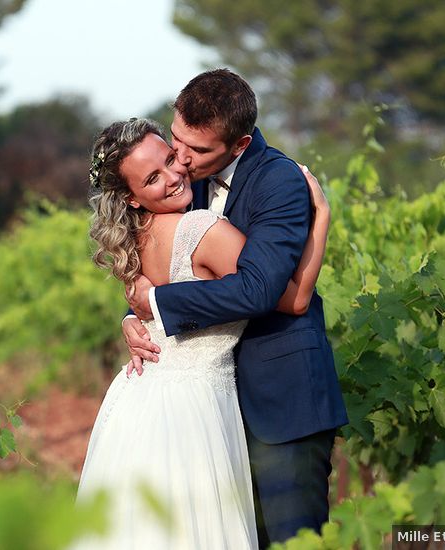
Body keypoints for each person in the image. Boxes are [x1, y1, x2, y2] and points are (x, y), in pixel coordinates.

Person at [72, 117, 330, 550]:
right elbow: (290, 298)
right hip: (193, 408)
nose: (175, 174)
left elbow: (150, 299)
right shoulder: (197, 227)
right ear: (132, 198)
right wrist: (321, 217)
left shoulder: (137, 236)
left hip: (140, 401)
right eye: (153, 178)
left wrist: (135, 316)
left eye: (171, 159)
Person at [122, 69, 349, 547]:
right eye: (178, 140)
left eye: (197, 151)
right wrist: (136, 317)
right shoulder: (185, 179)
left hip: (282, 402)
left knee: (291, 541)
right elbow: (167, 264)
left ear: (240, 144)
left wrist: (159, 303)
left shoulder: (280, 182)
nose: (181, 160)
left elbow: (259, 291)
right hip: (212, 406)